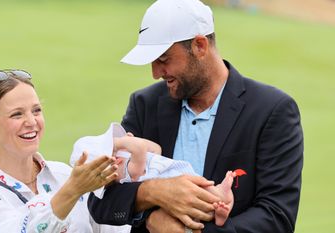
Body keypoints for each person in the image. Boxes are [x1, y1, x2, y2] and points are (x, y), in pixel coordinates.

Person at [87, 0, 304, 232]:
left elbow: (277, 217)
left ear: (200, 46)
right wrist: (155, 194)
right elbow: (100, 201)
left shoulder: (272, 110)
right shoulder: (144, 105)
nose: (155, 73)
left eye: (163, 59)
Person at [0, 70, 129, 233]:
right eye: (17, 114)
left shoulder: (65, 175)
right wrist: (72, 191)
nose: (31, 121)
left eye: (36, 110)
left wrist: (131, 181)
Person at [70, 122, 236, 227]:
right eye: (114, 146)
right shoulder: (128, 172)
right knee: (203, 196)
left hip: (177, 176)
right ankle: (220, 206)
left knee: (204, 195)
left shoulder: (129, 158)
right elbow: (142, 149)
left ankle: (220, 208)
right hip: (175, 178)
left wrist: (129, 143)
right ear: (113, 161)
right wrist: (124, 143)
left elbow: (156, 149)